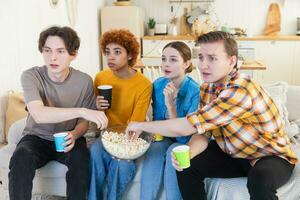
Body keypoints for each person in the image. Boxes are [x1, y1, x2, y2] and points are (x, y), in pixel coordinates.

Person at [126, 31, 297, 200]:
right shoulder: (207, 89)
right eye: (201, 57)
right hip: (235, 155)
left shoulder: (240, 89)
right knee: (187, 165)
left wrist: (139, 125)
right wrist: (190, 153)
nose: (203, 65)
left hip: (269, 155)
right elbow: (202, 133)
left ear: (232, 61)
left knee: (260, 179)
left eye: (212, 58)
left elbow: (188, 126)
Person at [8, 26, 108, 200]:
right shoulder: (31, 76)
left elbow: (83, 123)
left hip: (70, 137)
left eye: (61, 51)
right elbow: (39, 114)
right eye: (47, 50)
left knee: (81, 162)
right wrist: (82, 111)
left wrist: (75, 134)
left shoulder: (84, 81)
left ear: (73, 54)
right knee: (21, 157)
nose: (53, 57)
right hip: (36, 137)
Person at [88, 29, 152, 200]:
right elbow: (95, 118)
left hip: (128, 137)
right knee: (94, 150)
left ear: (130, 55)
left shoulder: (144, 84)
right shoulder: (101, 77)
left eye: (117, 52)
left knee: (122, 165)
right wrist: (96, 107)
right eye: (107, 52)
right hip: (104, 135)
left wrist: (118, 145)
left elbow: (136, 123)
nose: (110, 57)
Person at [140, 41, 200, 200]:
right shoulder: (158, 85)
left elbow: (184, 136)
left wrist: (171, 106)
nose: (166, 64)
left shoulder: (195, 91)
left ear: (186, 63)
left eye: (173, 60)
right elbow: (154, 119)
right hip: (163, 137)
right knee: (154, 152)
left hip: (184, 139)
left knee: (173, 151)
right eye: (164, 59)